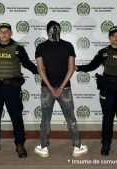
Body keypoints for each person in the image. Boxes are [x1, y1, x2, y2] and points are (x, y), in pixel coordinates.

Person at [76, 26, 117, 156]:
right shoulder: (104, 52)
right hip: (108, 89)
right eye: (113, 35)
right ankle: (106, 145)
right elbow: (92, 66)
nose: (116, 38)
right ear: (109, 38)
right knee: (108, 118)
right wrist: (77, 67)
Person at [0, 23, 38, 158]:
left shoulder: (18, 48)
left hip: (11, 88)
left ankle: (20, 144)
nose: (4, 34)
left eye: (7, 31)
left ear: (11, 33)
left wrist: (40, 71)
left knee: (16, 116)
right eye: (1, 31)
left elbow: (28, 64)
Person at [34, 20, 88, 158]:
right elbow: (71, 68)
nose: (54, 32)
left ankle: (44, 147)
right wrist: (62, 87)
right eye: (54, 30)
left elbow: (41, 69)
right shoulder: (68, 45)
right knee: (70, 118)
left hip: (47, 89)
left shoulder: (40, 46)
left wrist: (51, 88)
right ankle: (77, 147)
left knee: (45, 118)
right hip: (64, 88)